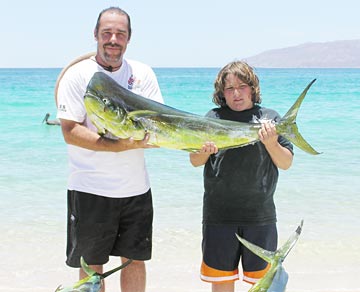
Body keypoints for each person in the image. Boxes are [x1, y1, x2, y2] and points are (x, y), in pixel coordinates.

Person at [56, 7, 163, 292]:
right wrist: (114, 146)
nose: (113, 39)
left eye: (120, 34)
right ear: (95, 35)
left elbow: (156, 128)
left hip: (136, 189)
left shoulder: (143, 74)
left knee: (135, 263)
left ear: (129, 38)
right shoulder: (77, 76)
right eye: (107, 33)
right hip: (89, 189)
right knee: (91, 268)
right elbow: (70, 131)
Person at [189, 61, 293, 292]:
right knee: (221, 284)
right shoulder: (212, 118)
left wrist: (271, 143)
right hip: (218, 217)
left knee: (262, 286)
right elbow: (194, 161)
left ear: (253, 89)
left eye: (242, 86)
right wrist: (203, 153)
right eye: (229, 88)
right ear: (221, 93)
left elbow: (285, 162)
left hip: (260, 217)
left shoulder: (270, 118)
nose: (236, 93)